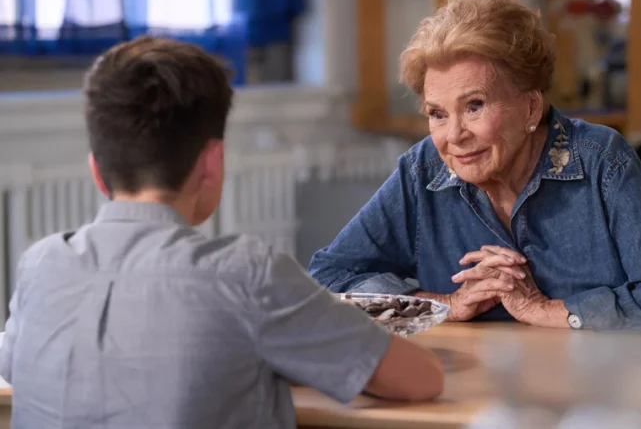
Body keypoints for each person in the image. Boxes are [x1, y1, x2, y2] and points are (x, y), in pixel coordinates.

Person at [0, 36, 443, 429]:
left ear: (97, 171)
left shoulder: (41, 265)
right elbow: (421, 379)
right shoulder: (246, 275)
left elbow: (17, 366)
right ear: (212, 162)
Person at [309, 0, 641, 330]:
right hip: (468, 392)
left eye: (475, 105)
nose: (454, 136)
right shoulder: (422, 169)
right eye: (437, 114)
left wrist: (543, 309)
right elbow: (329, 276)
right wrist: (443, 305)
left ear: (531, 109)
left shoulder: (601, 160)